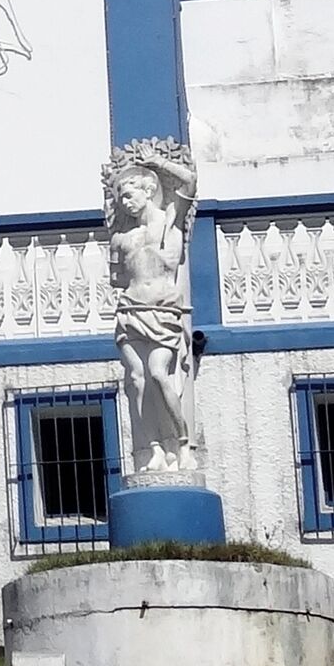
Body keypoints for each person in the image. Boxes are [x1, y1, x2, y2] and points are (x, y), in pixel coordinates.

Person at [103, 138, 201, 483]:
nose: (125, 202)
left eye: (130, 194)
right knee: (136, 380)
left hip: (162, 315)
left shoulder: (169, 223)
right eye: (120, 198)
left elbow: (188, 180)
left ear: (148, 190)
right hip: (131, 311)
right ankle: (155, 448)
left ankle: (184, 444)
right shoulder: (120, 239)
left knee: (159, 374)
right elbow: (118, 279)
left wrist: (156, 161)